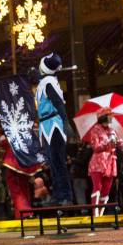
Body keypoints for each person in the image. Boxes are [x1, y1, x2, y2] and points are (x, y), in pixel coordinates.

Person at [36, 54, 76, 205]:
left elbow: (58, 103)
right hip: (46, 124)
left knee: (58, 162)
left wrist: (66, 122)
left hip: (53, 124)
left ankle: (65, 196)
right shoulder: (46, 81)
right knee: (53, 163)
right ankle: (59, 195)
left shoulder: (48, 81)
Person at [85, 108, 119, 217]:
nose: (112, 117)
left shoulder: (112, 130)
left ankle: (101, 214)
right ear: (103, 117)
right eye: (110, 115)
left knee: (106, 189)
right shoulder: (95, 130)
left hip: (110, 162)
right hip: (98, 163)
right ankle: (95, 215)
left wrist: (117, 141)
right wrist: (107, 142)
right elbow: (96, 147)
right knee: (97, 187)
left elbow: (120, 145)